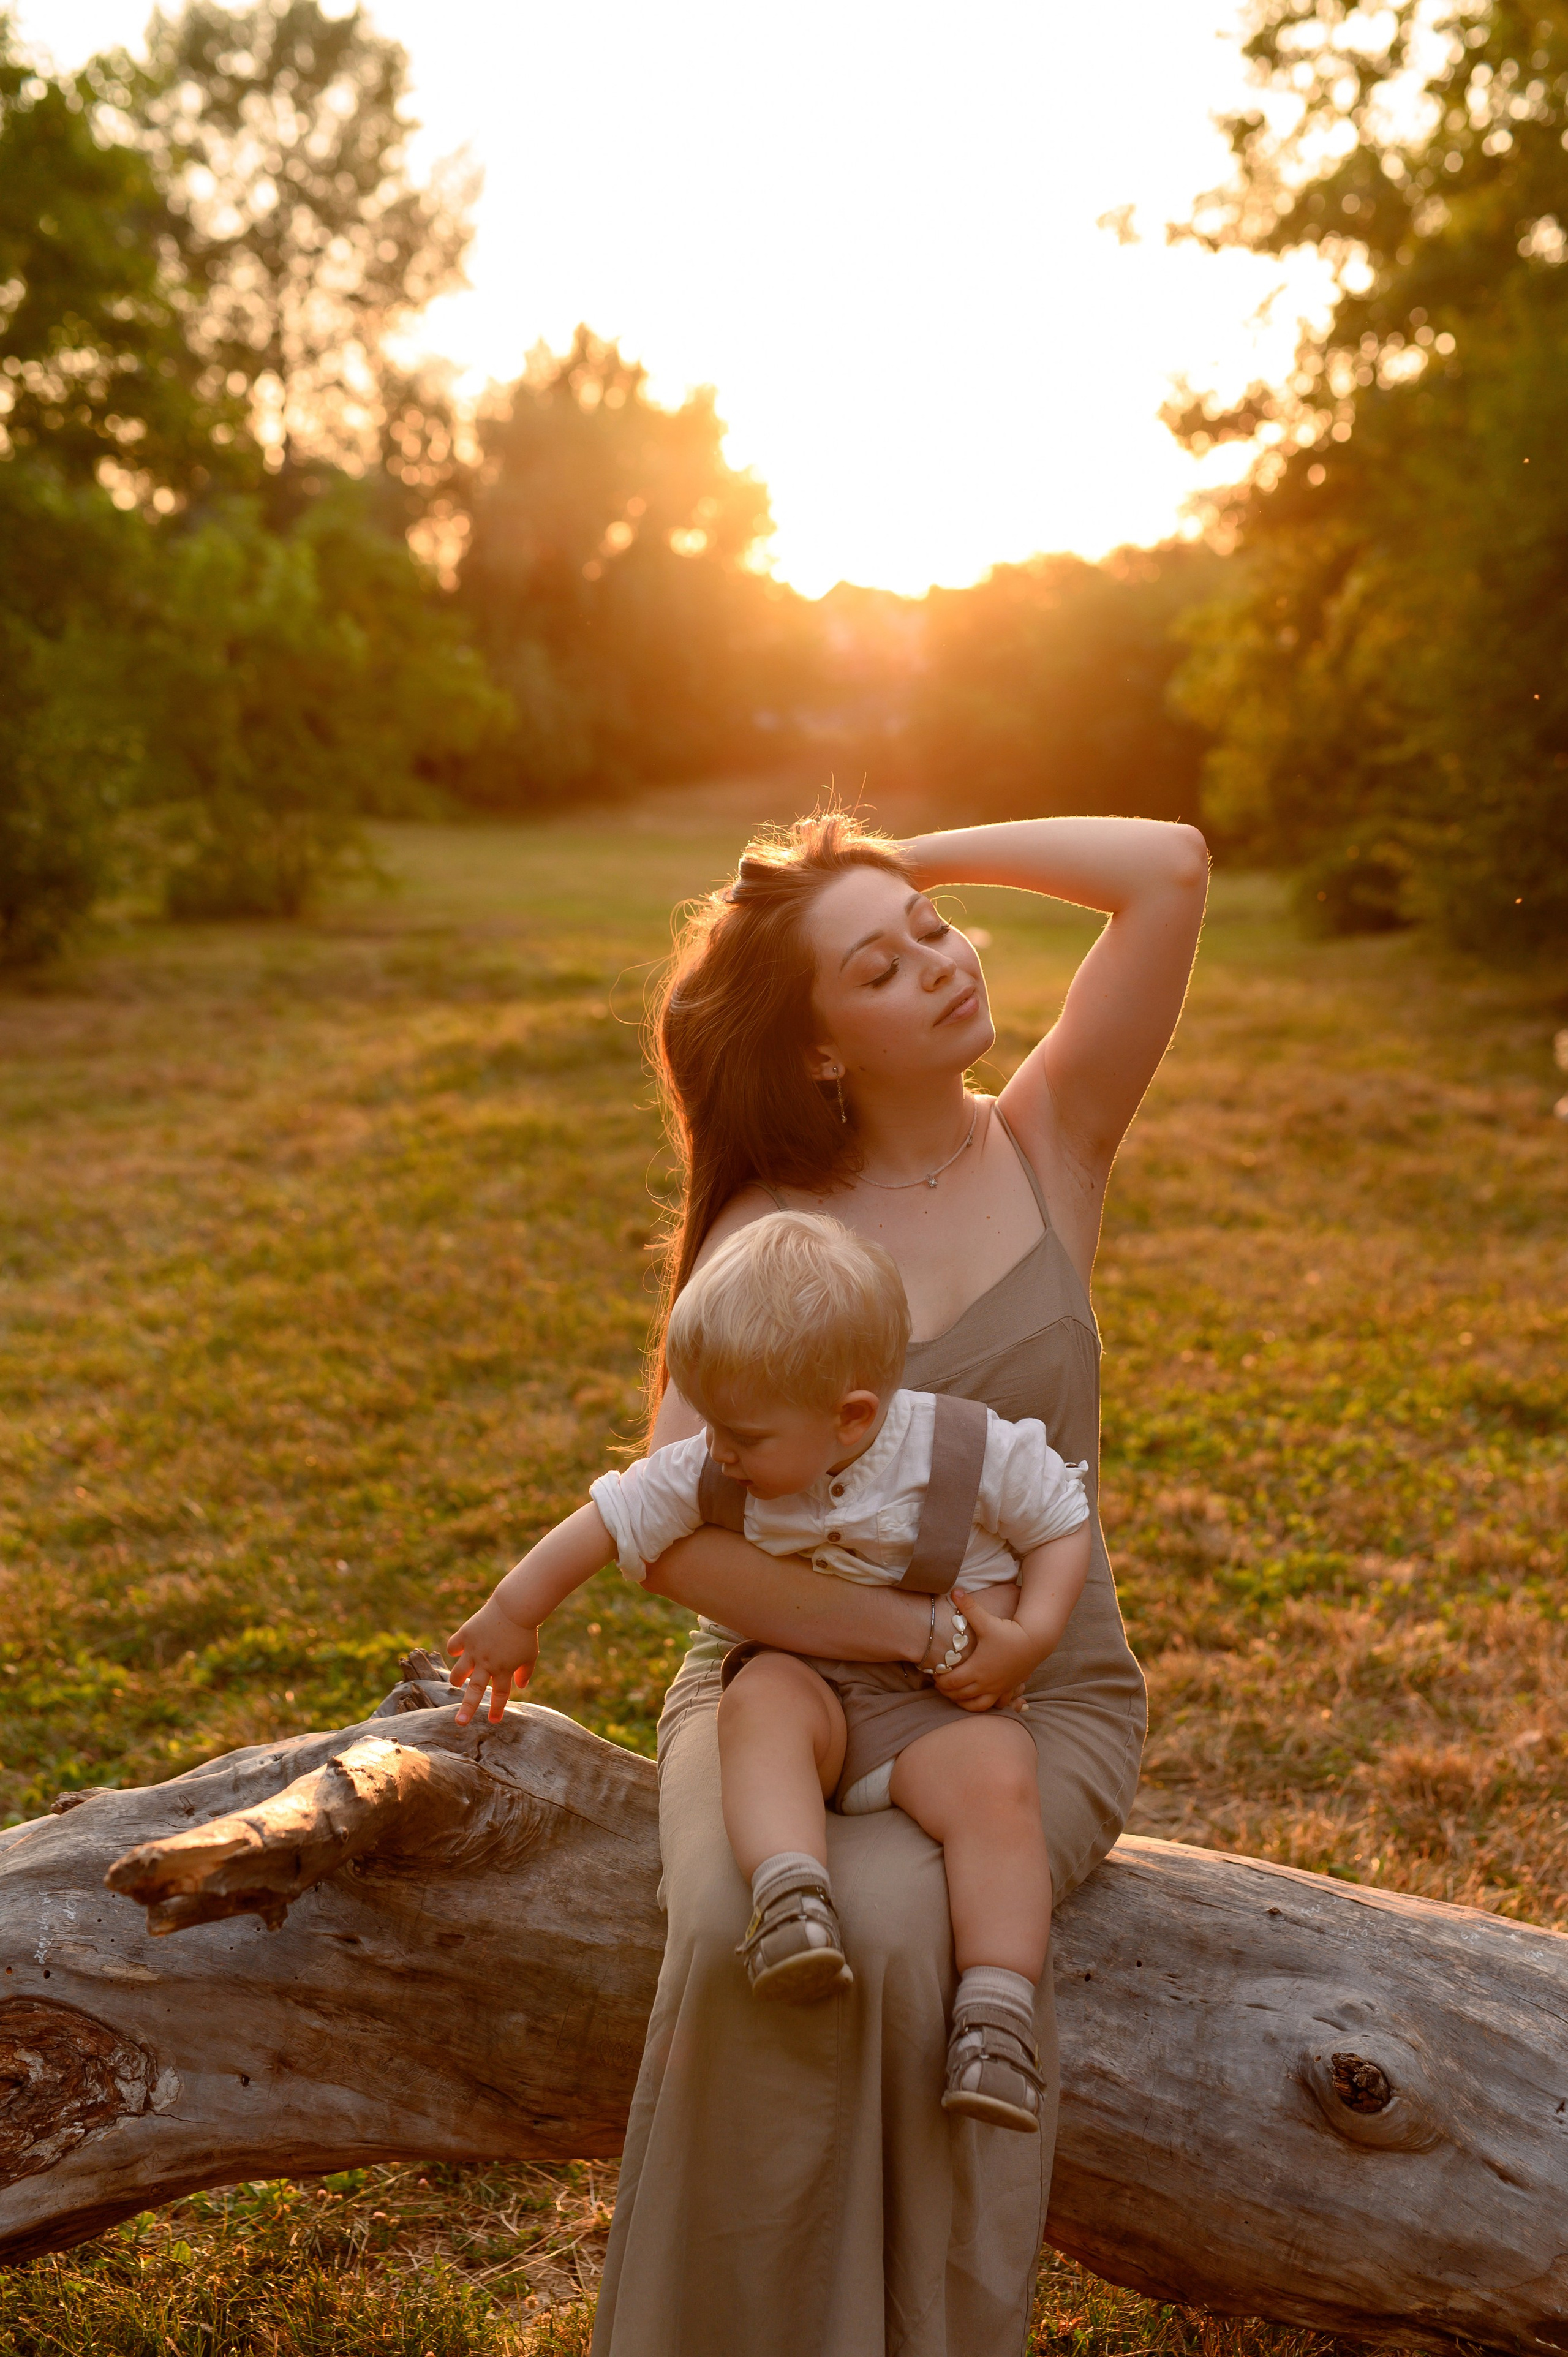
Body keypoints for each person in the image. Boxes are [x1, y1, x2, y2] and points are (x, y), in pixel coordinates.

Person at [593, 805, 1207, 2357]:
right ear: (814, 1049)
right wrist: (907, 1628)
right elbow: (679, 1544)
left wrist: (884, 857)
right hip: (781, 1684)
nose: (939, 964)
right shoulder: (770, 1235)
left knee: (912, 1934)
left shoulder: (1049, 1134)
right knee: (779, 1931)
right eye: (880, 965)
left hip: (1034, 1686)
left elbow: (1167, 867)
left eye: (934, 930)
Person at [445, 1209, 1093, 2134]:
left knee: (998, 1785)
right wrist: (514, 1610)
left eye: (744, 1435)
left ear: (853, 1417)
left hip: (935, 1708)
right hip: (809, 1685)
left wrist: (1029, 1637)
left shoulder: (967, 1449)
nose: (717, 1451)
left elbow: (1061, 1520)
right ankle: (792, 1897)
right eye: (711, 1425)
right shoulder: (719, 1458)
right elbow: (607, 1520)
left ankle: (996, 2012)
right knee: (760, 1704)